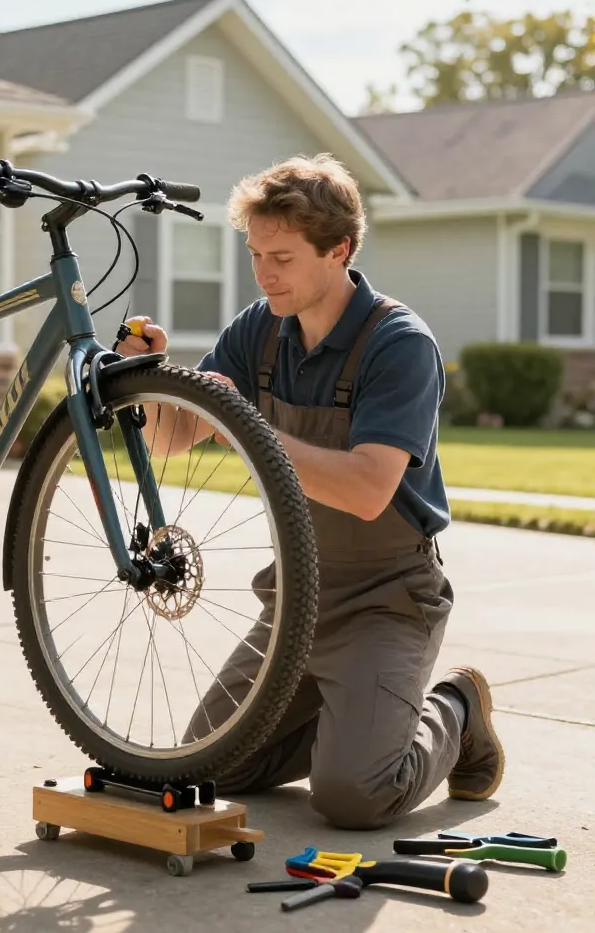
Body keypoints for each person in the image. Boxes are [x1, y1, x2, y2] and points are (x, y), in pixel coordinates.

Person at [116, 153, 504, 830]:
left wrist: (248, 422)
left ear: (339, 250)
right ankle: (359, 718)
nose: (265, 274)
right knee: (209, 765)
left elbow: (367, 490)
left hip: (385, 599)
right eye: (256, 254)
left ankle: (457, 707)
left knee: (355, 796)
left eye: (283, 257)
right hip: (296, 597)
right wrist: (141, 378)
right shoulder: (259, 329)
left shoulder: (398, 344)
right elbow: (173, 437)